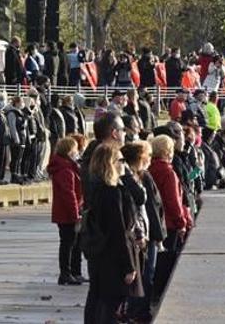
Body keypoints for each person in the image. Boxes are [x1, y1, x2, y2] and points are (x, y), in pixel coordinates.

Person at [83, 143, 139, 324]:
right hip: (113, 259)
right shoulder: (112, 193)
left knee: (97, 300)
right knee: (110, 305)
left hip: (100, 256)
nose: (124, 164)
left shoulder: (97, 188)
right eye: (121, 160)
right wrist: (128, 266)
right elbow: (118, 231)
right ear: (111, 164)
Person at [123, 141, 166, 323]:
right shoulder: (139, 178)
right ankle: (139, 311)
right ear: (140, 158)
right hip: (144, 234)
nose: (150, 159)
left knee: (144, 275)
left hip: (144, 232)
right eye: (148, 156)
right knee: (146, 275)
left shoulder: (138, 176)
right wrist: (158, 236)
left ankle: (137, 310)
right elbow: (152, 208)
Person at [148, 135, 191, 301]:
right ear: (167, 151)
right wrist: (182, 223)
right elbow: (173, 201)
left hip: (156, 223)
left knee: (155, 263)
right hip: (170, 224)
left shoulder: (150, 170)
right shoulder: (168, 173)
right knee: (166, 262)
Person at [48, 136, 84, 286]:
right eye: (75, 150)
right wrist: (75, 214)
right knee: (68, 243)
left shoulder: (68, 167)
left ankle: (74, 272)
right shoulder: (65, 170)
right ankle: (66, 273)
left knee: (74, 243)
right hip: (67, 213)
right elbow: (69, 193)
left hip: (68, 211)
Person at [6, 96, 27, 184]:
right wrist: (16, 138)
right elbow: (12, 127)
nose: (22, 104)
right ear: (17, 103)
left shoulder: (20, 113)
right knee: (15, 158)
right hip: (16, 139)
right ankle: (14, 175)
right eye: (21, 102)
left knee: (19, 158)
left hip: (22, 138)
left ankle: (18, 174)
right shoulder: (12, 113)